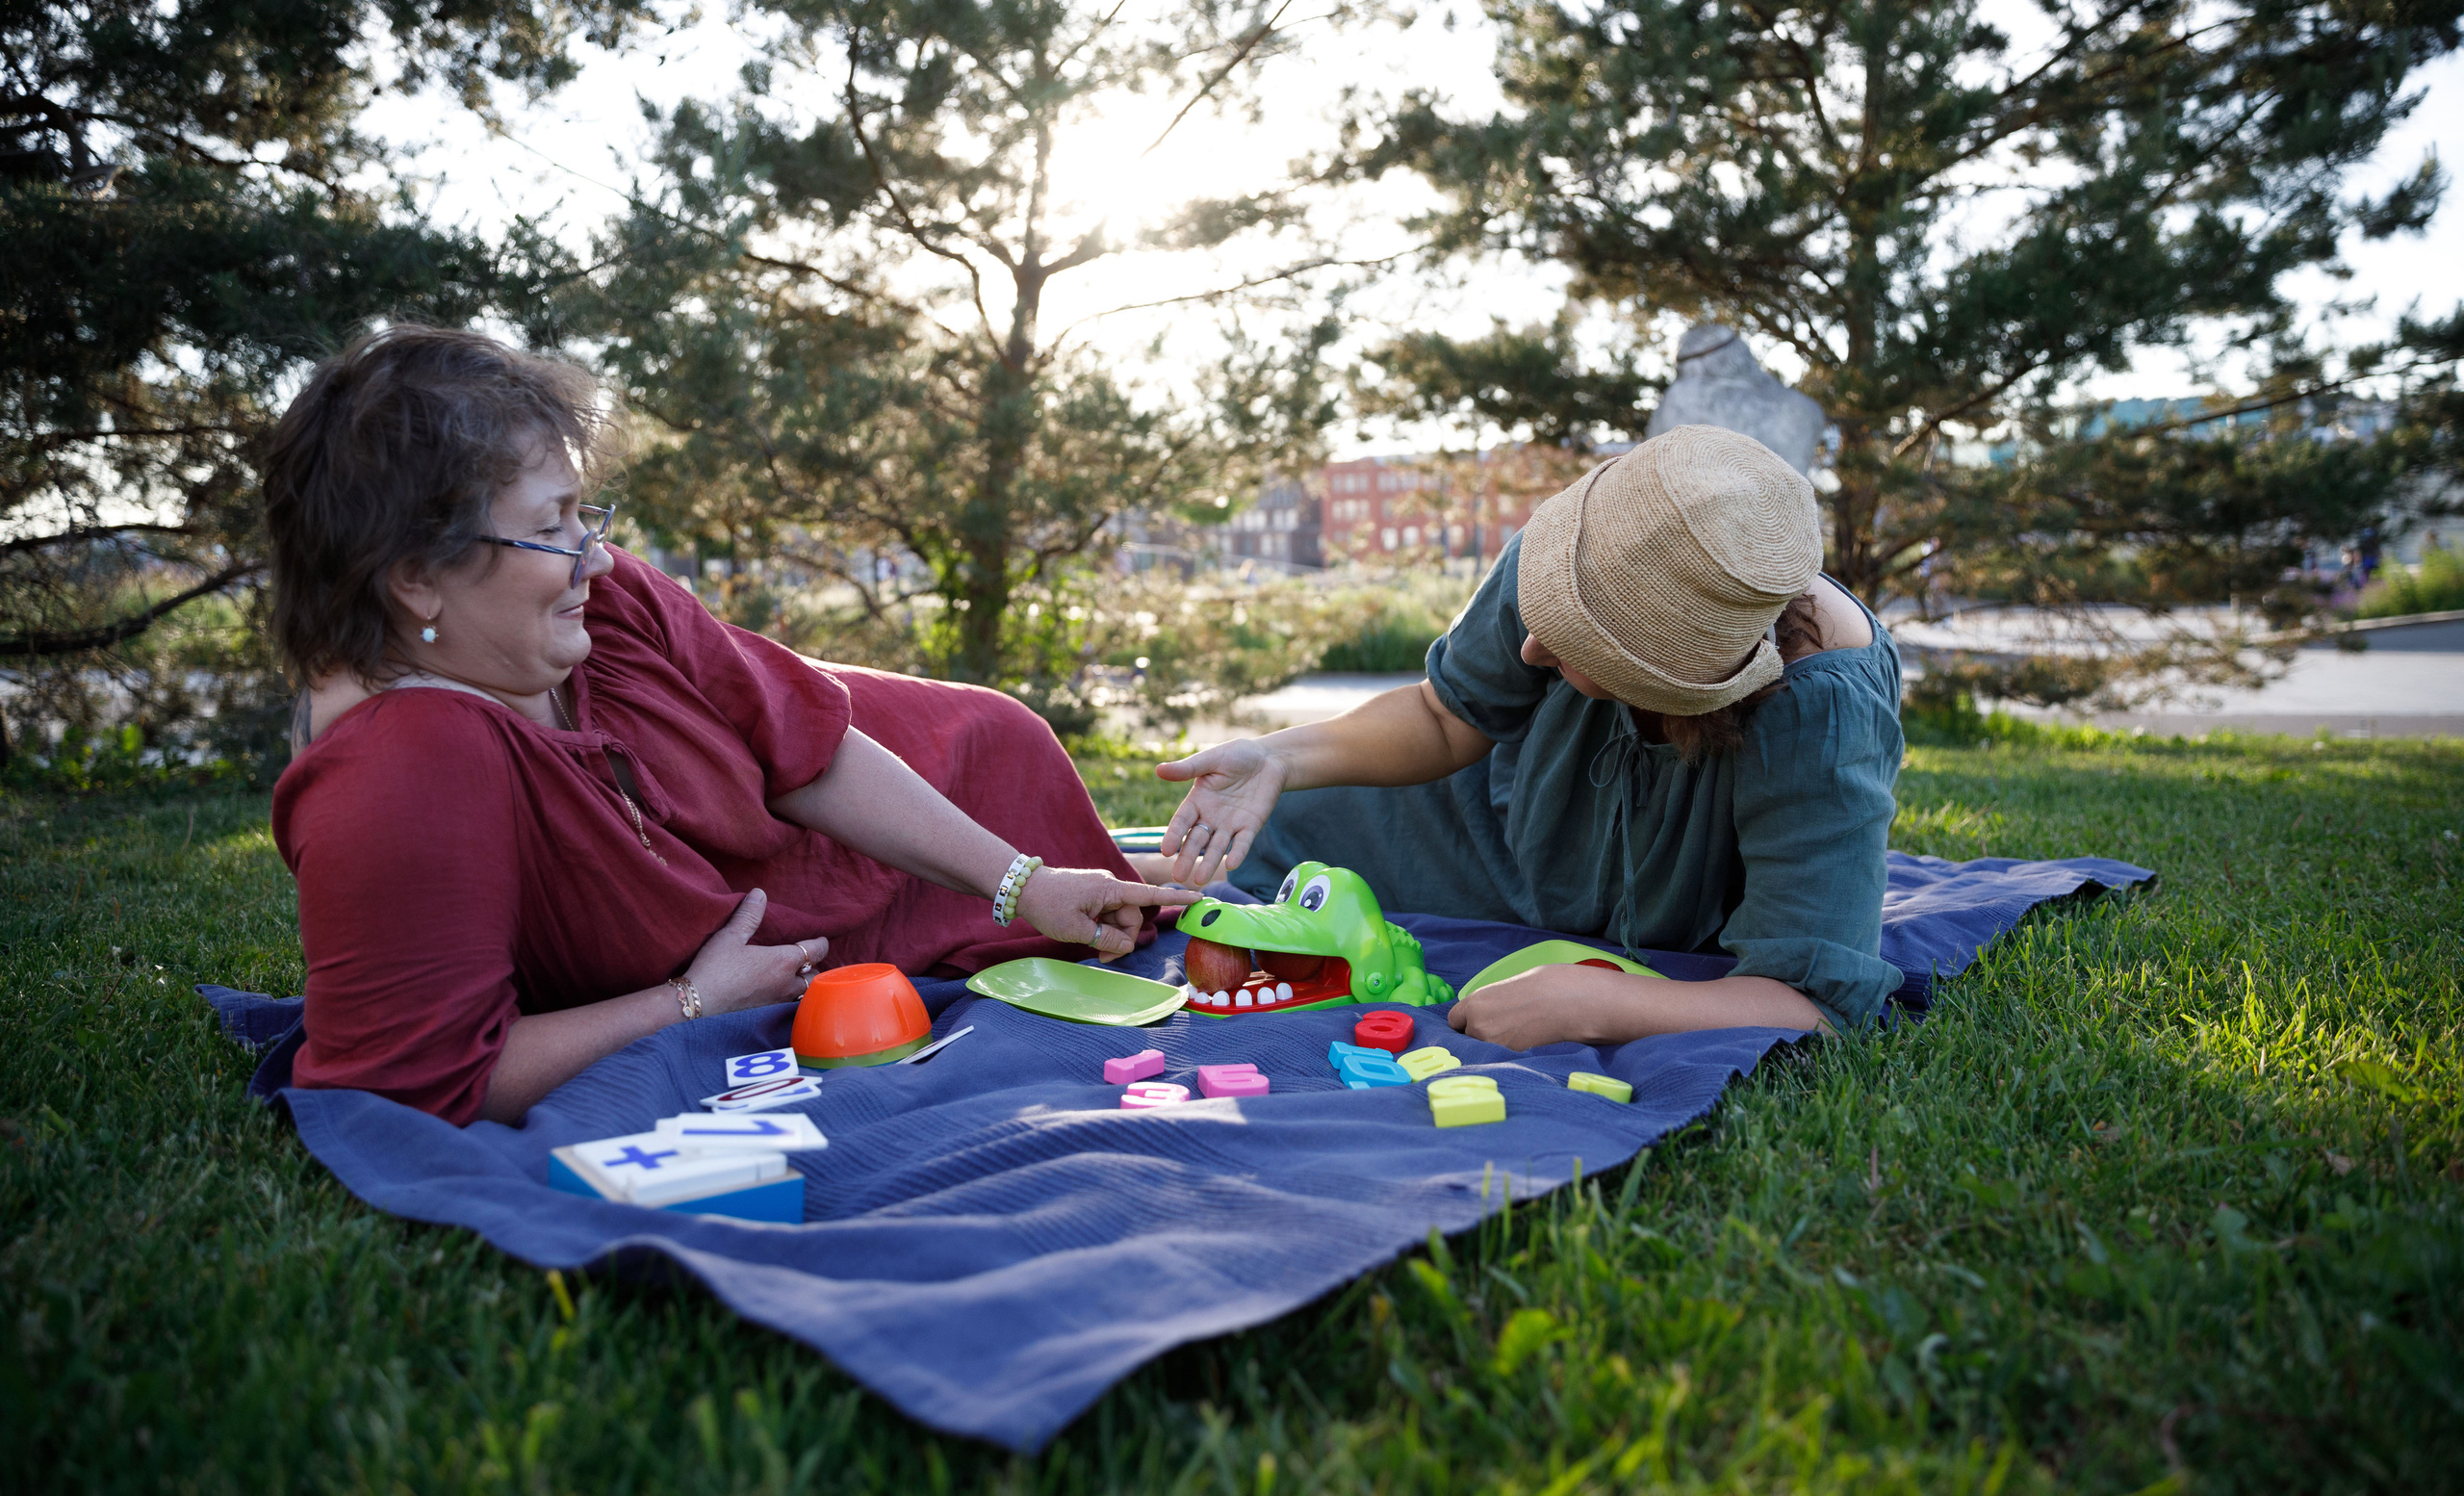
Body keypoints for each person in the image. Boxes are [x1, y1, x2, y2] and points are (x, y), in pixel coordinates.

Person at [265, 326, 1191, 1125]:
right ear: (417, 576)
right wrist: (692, 1003)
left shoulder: (603, 600)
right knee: (1096, 864)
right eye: (552, 527)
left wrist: (1022, 883)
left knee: (1008, 745)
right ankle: (1131, 858)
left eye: (586, 514)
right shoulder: (397, 772)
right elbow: (420, 1085)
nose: (595, 555)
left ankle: (1117, 857)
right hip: (799, 930)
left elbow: (806, 750)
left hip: (897, 802)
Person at [1145, 426, 1904, 1048]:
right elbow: (1446, 715)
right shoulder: (1584, 546)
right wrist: (1278, 757)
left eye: (1577, 647)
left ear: (1678, 682)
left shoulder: (1823, 714)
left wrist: (1603, 1002)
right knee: (1220, 852)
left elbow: (1815, 1002)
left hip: (1669, 916)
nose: (1532, 652)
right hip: (1490, 822)